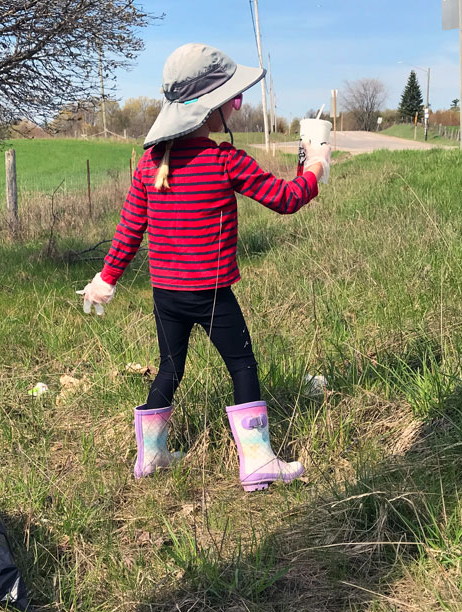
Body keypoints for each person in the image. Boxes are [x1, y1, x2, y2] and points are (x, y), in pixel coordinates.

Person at [79, 43, 331, 492]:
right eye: (233, 99)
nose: (237, 106)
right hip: (211, 294)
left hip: (166, 296)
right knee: (242, 366)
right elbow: (287, 199)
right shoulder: (224, 160)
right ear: (211, 109)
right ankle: (257, 462)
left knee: (169, 369)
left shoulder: (150, 164)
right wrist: (314, 168)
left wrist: (106, 278)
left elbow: (129, 230)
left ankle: (151, 455)